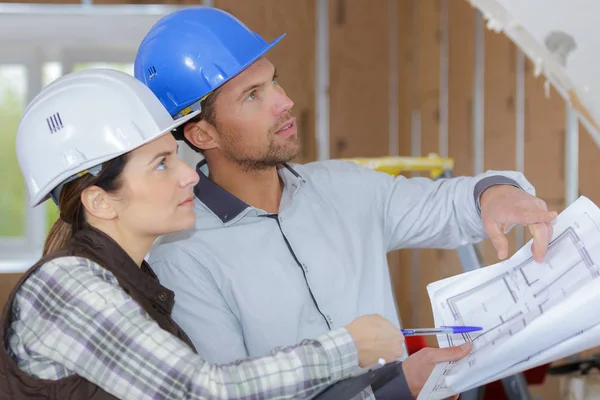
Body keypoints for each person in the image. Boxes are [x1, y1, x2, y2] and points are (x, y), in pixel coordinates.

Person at [134, 7, 554, 398]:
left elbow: (447, 204)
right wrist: (396, 389)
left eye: (274, 81)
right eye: (252, 95)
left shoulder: (343, 188)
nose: (284, 102)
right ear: (202, 135)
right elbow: (236, 393)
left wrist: (495, 195)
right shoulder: (182, 259)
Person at [0, 68, 431, 400]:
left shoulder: (138, 286)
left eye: (176, 157)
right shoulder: (68, 287)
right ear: (100, 201)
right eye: (161, 164)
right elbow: (204, 391)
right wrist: (346, 347)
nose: (190, 175)